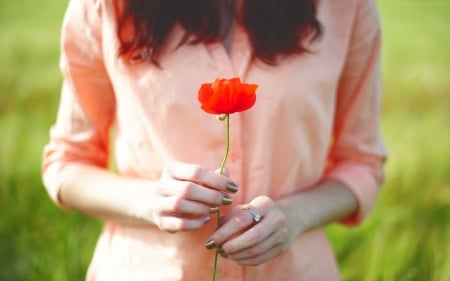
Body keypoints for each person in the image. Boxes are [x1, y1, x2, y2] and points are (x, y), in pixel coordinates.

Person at [42, 0, 387, 280]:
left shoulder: (346, 8)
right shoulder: (104, 8)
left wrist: (293, 216)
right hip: (143, 270)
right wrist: (150, 200)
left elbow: (362, 164)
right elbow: (67, 163)